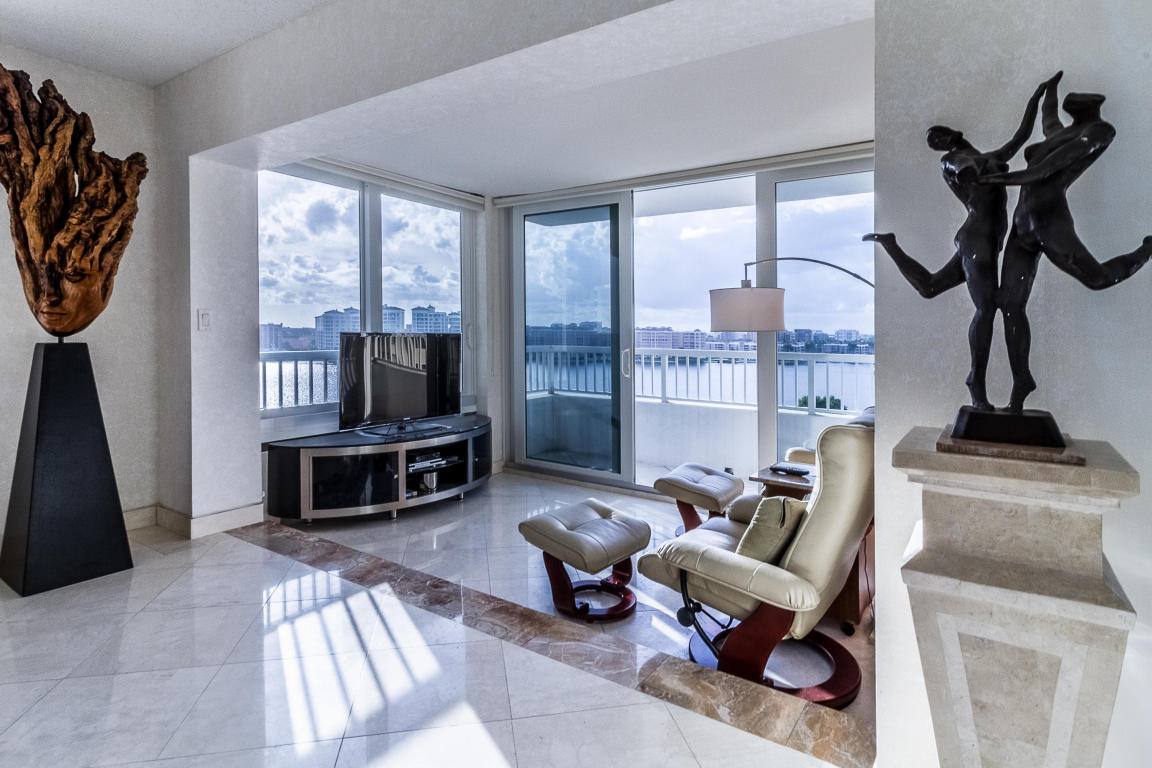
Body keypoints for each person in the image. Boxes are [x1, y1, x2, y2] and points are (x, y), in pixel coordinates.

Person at [865, 73, 1060, 410]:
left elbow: (1020, 137)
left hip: (984, 241)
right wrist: (968, 169)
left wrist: (1036, 98)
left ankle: (890, 244)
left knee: (930, 287)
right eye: (934, 142)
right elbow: (961, 166)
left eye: (938, 135)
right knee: (987, 309)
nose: (938, 141)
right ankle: (976, 386)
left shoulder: (990, 157)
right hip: (977, 240)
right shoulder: (951, 161)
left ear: (951, 131)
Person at [980, 82, 1152, 411]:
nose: (1070, 99)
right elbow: (1048, 116)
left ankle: (1146, 249)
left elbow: (1045, 169)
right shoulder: (1059, 131)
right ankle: (1021, 384)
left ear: (1095, 104)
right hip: (1021, 225)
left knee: (1097, 278)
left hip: (1049, 221)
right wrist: (1048, 89)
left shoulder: (1099, 131)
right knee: (1009, 304)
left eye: (1077, 97)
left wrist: (991, 180)